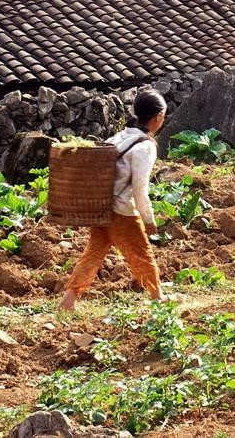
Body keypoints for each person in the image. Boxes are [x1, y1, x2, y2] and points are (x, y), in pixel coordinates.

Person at [59, 89, 166, 310]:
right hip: (121, 209)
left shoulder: (119, 136)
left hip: (102, 205)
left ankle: (69, 299)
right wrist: (149, 220)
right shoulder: (145, 146)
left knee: (94, 251)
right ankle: (157, 297)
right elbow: (140, 189)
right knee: (141, 251)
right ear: (158, 117)